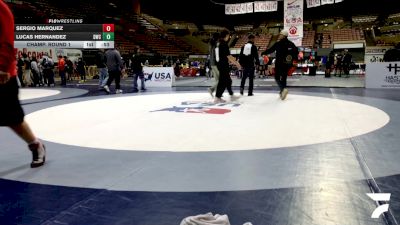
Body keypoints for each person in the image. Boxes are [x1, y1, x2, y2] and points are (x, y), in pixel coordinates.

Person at [0, 0, 46, 168]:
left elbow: (7, 39)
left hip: (3, 75)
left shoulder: (1, 8)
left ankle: (36, 145)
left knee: (13, 118)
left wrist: (2, 66)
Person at [262, 30, 298, 100]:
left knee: (277, 77)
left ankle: (283, 89)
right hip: (287, 64)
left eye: (280, 34)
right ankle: (282, 92)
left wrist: (263, 53)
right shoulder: (291, 44)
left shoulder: (278, 43)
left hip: (279, 63)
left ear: (284, 35)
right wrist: (293, 61)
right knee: (284, 78)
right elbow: (296, 52)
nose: (279, 35)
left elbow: (271, 50)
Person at [215, 30, 241, 103]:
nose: (229, 37)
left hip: (220, 64)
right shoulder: (223, 44)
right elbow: (228, 56)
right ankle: (217, 97)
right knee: (223, 81)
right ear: (226, 35)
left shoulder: (218, 43)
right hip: (223, 65)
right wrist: (237, 63)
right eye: (228, 36)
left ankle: (231, 95)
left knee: (228, 81)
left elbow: (223, 56)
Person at [208, 32, 220, 97]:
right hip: (216, 64)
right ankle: (211, 89)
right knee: (221, 80)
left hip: (212, 64)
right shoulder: (217, 44)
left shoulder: (211, 45)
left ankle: (217, 94)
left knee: (217, 80)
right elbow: (217, 55)